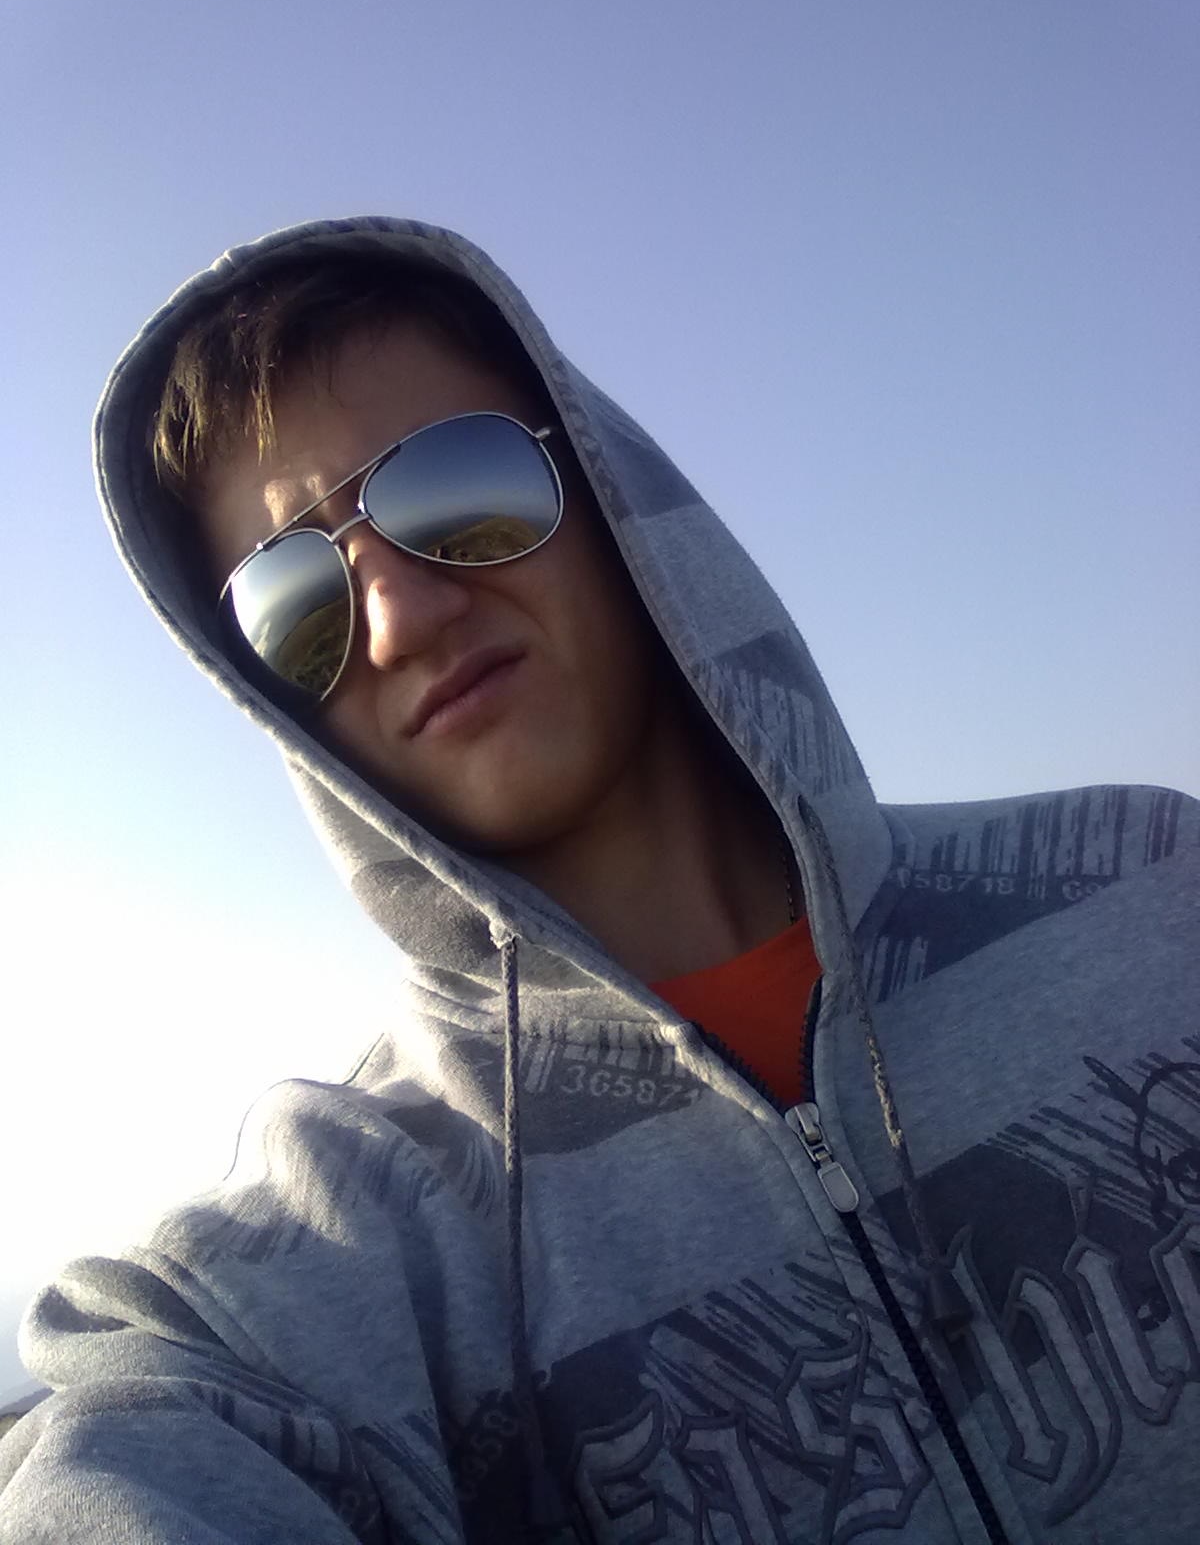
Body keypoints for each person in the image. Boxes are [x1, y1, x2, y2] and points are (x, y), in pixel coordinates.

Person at [1, 217, 1196, 1545]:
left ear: (610, 492)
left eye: (452, 490)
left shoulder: (1153, 887)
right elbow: (134, 1444)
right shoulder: (358, 1235)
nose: (398, 618)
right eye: (297, 602)